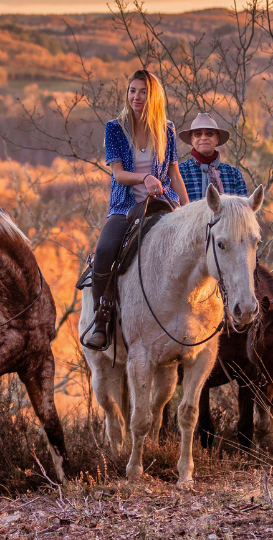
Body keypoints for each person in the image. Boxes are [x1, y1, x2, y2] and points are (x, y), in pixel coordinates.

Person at [84, 69, 189, 351]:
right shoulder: (115, 128)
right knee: (105, 250)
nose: (136, 96)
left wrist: (188, 213)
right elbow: (118, 174)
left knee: (194, 248)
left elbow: (174, 174)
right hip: (125, 206)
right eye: (132, 90)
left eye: (142, 91)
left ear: (153, 96)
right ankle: (101, 321)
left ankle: (195, 314)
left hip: (162, 204)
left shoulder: (166, 129)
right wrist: (144, 178)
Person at [177, 112, 249, 202]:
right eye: (198, 134)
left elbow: (244, 211)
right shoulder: (179, 173)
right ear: (191, 139)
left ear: (217, 139)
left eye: (209, 133)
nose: (203, 137)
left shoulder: (234, 175)